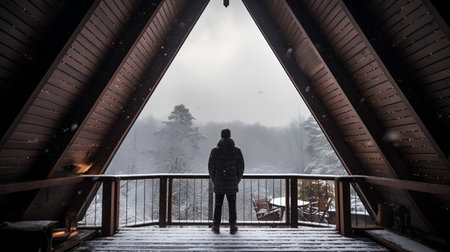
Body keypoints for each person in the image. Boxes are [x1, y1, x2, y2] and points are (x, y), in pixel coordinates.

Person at [208, 128, 245, 234]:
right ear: (230, 136)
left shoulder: (215, 151)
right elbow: (241, 167)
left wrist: (215, 179)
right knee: (232, 206)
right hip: (232, 184)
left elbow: (211, 167)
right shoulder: (236, 150)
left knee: (218, 205)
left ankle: (216, 226)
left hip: (219, 183)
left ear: (221, 136)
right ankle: (232, 227)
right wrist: (236, 180)